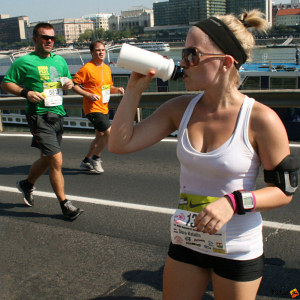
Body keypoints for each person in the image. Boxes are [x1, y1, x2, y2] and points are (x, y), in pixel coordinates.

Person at [109, 10, 298, 300]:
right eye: (183, 54)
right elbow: (120, 144)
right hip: (188, 240)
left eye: (191, 55)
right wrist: (133, 90)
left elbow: (284, 192)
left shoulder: (261, 119)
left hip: (237, 249)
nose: (182, 63)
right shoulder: (179, 108)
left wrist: (233, 202)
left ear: (225, 62)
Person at [1, 23, 83, 220]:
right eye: (45, 37)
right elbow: (6, 83)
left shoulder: (60, 61)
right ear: (35, 39)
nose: (49, 41)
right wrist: (25, 92)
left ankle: (27, 184)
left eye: (52, 38)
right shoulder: (25, 62)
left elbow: (65, 81)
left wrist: (69, 83)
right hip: (38, 116)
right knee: (56, 159)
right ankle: (65, 204)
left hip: (57, 114)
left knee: (47, 158)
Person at [72, 41, 124, 173]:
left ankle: (86, 161)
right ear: (91, 52)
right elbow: (74, 85)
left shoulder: (106, 68)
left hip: (104, 107)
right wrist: (88, 94)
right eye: (97, 50)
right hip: (92, 108)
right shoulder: (87, 68)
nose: (101, 52)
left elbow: (107, 87)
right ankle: (96, 158)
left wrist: (117, 89)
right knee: (109, 133)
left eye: (103, 50)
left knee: (100, 136)